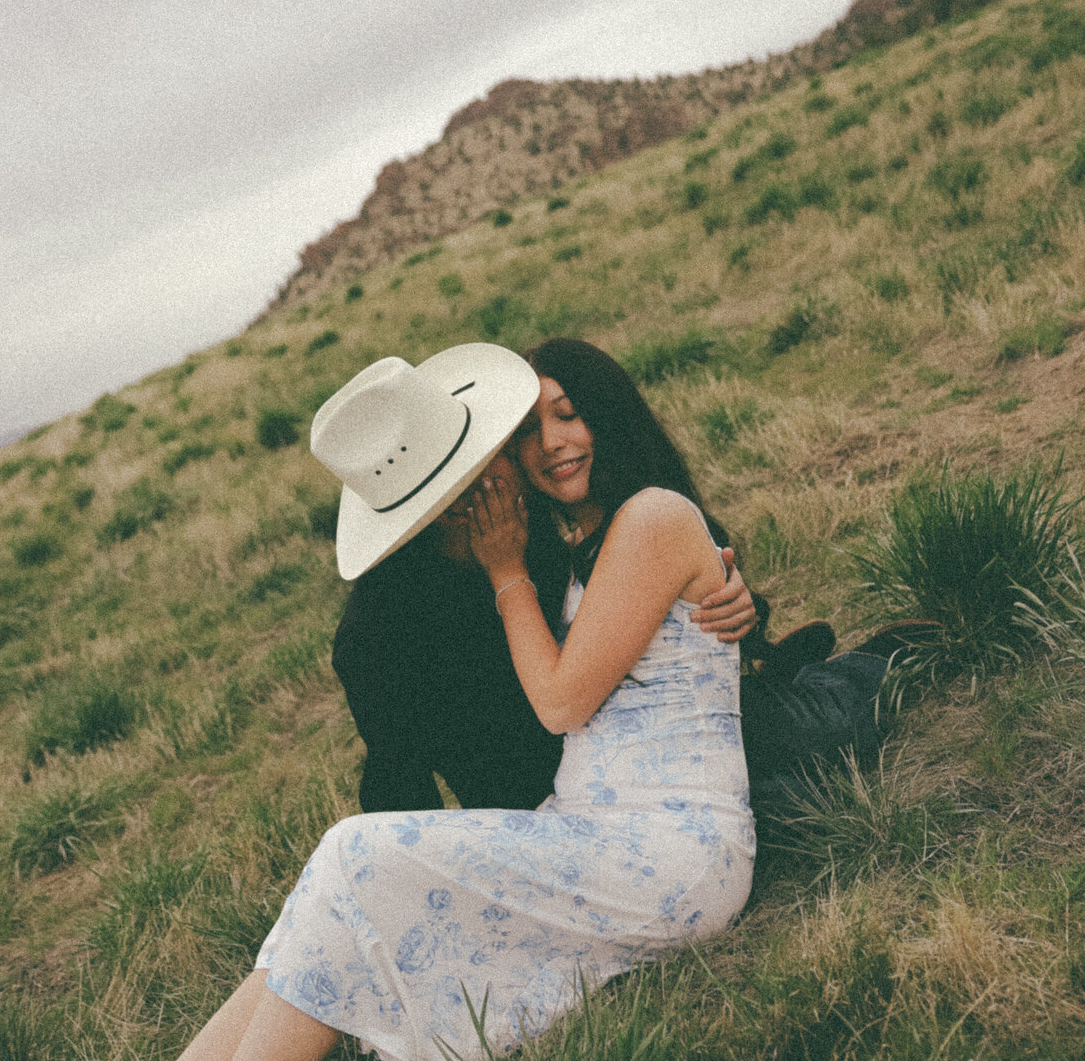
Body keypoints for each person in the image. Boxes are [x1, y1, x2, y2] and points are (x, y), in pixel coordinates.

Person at [0, 340, 756, 1061]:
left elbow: (587, 687)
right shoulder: (390, 624)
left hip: (658, 849)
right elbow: (412, 775)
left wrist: (726, 599)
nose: (545, 449)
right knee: (324, 907)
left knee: (352, 866)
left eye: (565, 416)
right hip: (577, 834)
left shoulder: (583, 525)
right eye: (528, 430)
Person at [334, 338, 896, 828]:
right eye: (448, 491)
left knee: (784, 777)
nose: (479, 491)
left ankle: (857, 668)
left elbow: (650, 586)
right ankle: (801, 675)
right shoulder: (376, 634)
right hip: (551, 810)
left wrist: (728, 598)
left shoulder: (542, 527)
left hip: (664, 743)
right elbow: (397, 787)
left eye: (482, 461)